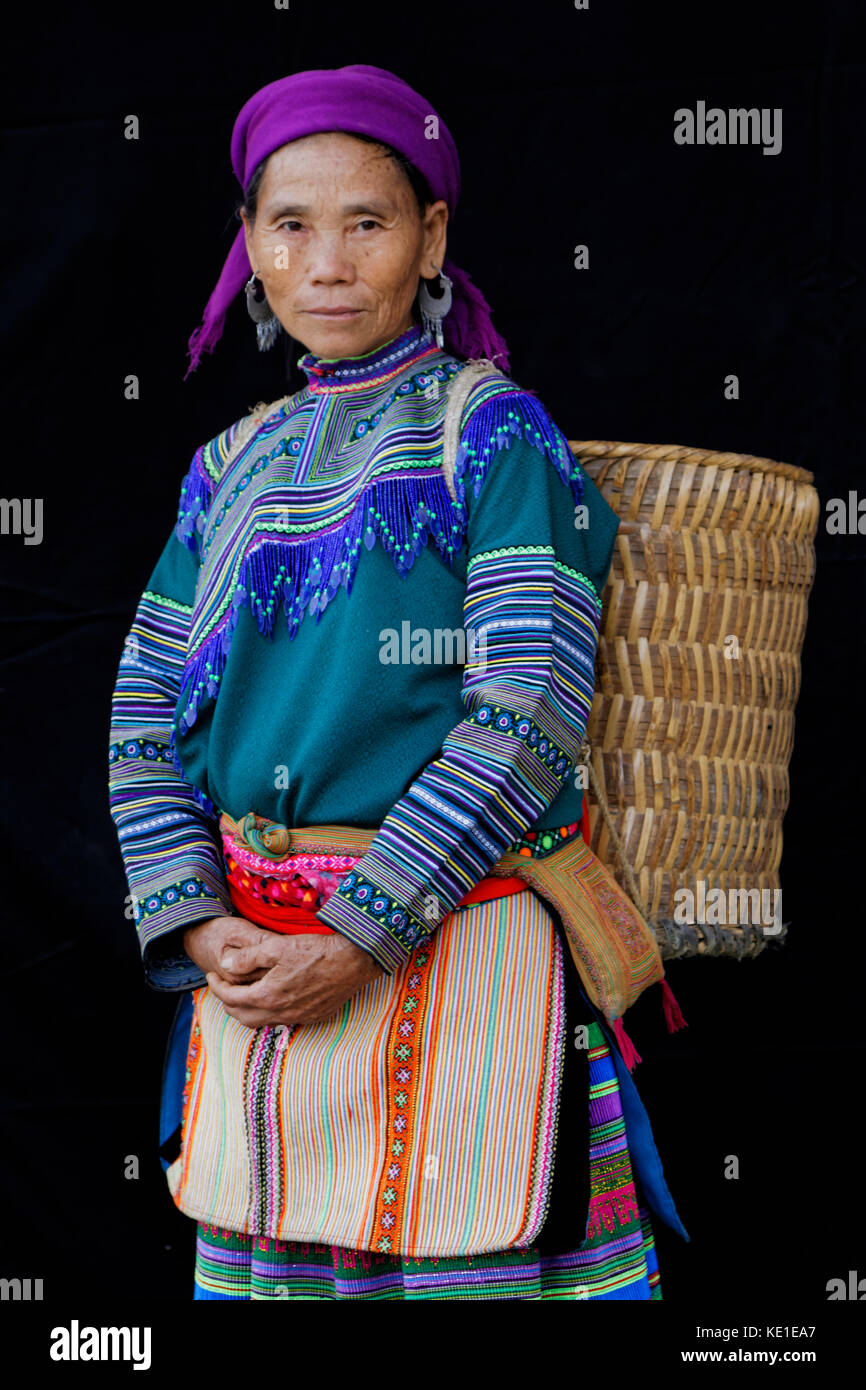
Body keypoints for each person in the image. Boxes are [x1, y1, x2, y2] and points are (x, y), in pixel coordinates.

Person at [108, 63, 688, 1301]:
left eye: (366, 222)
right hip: (254, 967)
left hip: (452, 948)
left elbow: (524, 718)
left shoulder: (487, 433)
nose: (326, 262)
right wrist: (197, 919)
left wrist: (359, 933)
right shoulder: (227, 465)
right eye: (291, 225)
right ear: (251, 248)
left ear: (430, 240)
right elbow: (143, 717)